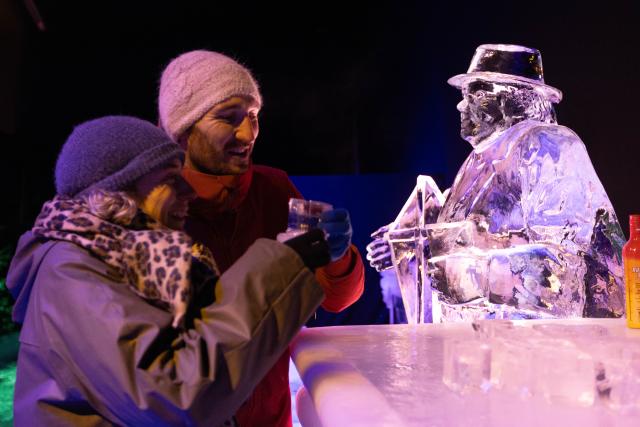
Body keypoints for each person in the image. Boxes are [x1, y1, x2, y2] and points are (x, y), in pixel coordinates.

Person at [7, 116, 334, 426]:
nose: (189, 191)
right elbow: (176, 395)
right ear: (118, 192)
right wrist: (277, 270)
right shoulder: (73, 272)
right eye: (169, 179)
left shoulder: (127, 260)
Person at [158, 50, 365, 426]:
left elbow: (338, 299)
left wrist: (338, 258)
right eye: (227, 118)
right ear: (184, 129)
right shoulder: (159, 211)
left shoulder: (273, 190)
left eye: (253, 116)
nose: (247, 133)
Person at [367, 44, 625, 320]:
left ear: (509, 100)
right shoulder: (478, 161)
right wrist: (408, 241)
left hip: (544, 351)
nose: (461, 104)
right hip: (480, 347)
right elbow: (477, 235)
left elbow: (565, 266)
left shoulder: (547, 145)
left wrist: (475, 276)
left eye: (475, 94)